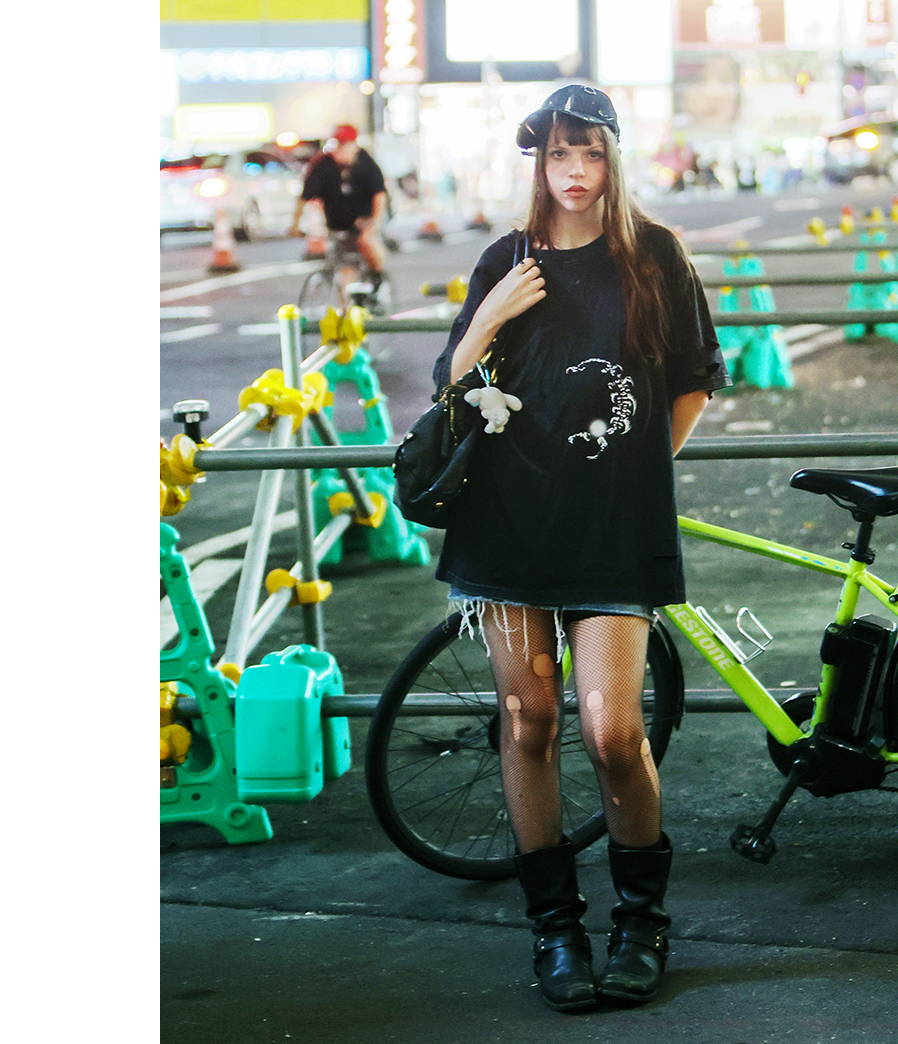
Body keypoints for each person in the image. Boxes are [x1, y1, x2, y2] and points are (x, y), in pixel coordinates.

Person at [431, 86, 730, 1013]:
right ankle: (554, 930)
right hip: (506, 530)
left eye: (589, 152)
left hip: (611, 534)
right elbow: (452, 381)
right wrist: (491, 314)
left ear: (613, 159)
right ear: (539, 163)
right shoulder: (506, 259)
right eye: (556, 154)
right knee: (528, 722)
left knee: (612, 732)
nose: (572, 171)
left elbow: (692, 383)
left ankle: (642, 922)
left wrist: (626, 476)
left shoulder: (655, 255)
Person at [289, 125, 388, 301]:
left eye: (344, 144)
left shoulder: (366, 164)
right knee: (345, 268)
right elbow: (304, 197)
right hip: (336, 222)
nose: (339, 149)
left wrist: (373, 224)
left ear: (354, 145)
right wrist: (295, 225)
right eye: (337, 143)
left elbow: (379, 196)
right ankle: (347, 309)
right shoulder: (322, 164)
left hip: (363, 219)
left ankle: (377, 277)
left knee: (367, 241)